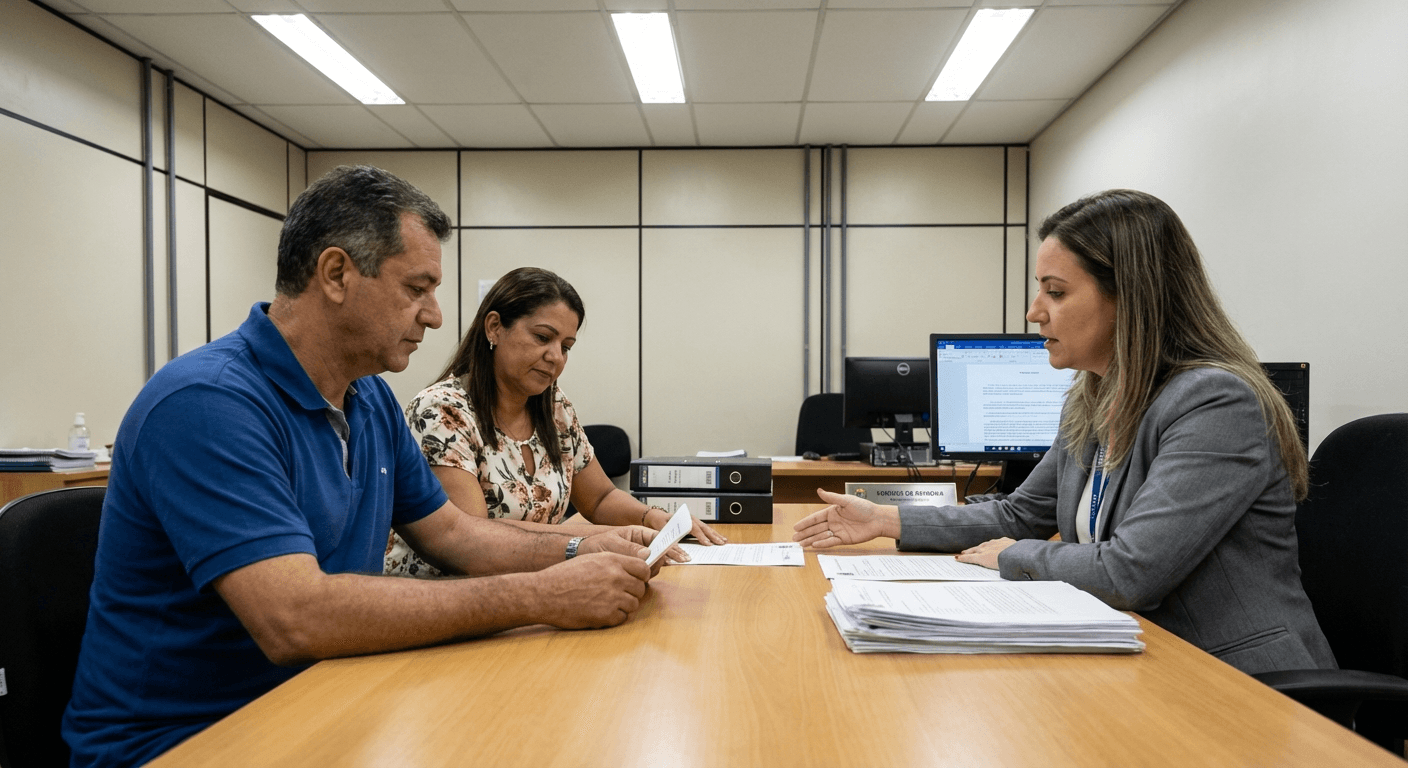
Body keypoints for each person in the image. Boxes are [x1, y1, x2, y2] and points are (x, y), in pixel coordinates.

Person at [62, 166, 662, 768]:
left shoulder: (368, 398)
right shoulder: (208, 403)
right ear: (336, 274)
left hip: (322, 700)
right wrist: (541, 596)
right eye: (416, 288)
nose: (433, 315)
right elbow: (294, 618)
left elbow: (452, 533)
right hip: (185, 741)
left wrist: (582, 552)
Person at [793, 189, 1335, 676]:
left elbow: (1129, 571)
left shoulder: (1215, 403)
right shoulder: (1096, 395)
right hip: (1138, 654)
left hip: (1238, 681)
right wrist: (884, 519)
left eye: (1055, 292)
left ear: (1131, 297)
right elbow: (1018, 513)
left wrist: (1013, 555)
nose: (1033, 313)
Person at [386, 266, 726, 578]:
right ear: (494, 328)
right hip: (449, 596)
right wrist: (601, 539)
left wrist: (652, 518)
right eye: (542, 337)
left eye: (566, 346)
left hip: (532, 585)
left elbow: (600, 498)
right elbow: (472, 537)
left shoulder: (554, 407)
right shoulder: (442, 410)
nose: (555, 357)